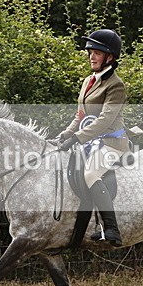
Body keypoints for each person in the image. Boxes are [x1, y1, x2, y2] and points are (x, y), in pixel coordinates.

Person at [49, 28, 128, 246]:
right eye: (90, 52)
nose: (91, 56)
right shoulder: (88, 81)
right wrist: (64, 135)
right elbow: (81, 116)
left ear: (109, 57)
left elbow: (105, 120)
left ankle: (112, 229)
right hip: (89, 142)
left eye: (97, 53)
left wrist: (77, 139)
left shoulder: (116, 85)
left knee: (91, 173)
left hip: (112, 142)